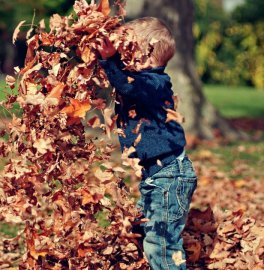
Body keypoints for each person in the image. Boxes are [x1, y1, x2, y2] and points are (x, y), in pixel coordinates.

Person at [97, 17, 198, 270]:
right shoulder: (143, 81)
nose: (122, 56)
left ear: (145, 55)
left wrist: (109, 61)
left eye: (127, 50)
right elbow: (124, 81)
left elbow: (129, 87)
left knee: (161, 243)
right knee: (142, 228)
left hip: (168, 177)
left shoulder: (155, 83)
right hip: (156, 176)